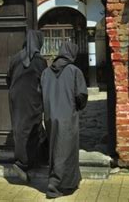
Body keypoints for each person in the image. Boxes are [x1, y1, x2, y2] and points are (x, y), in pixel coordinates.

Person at [40, 42, 88, 199]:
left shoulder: (46, 72)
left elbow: (40, 94)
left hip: (50, 117)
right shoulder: (74, 71)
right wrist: (78, 107)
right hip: (67, 116)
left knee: (55, 149)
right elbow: (81, 95)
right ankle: (56, 185)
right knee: (66, 151)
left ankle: (72, 180)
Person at [6, 30, 48, 183]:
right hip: (33, 99)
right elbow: (45, 82)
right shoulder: (40, 61)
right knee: (32, 128)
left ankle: (28, 161)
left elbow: (8, 78)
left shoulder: (15, 58)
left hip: (16, 98)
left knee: (19, 128)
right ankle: (23, 163)